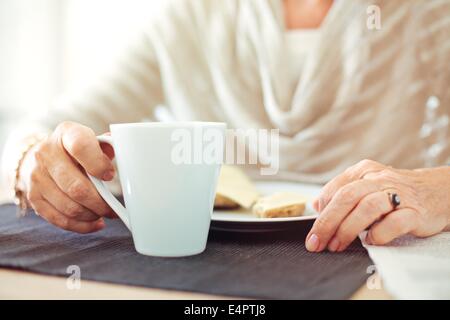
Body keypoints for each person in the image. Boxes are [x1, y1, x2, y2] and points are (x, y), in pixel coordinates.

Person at [1, 0, 450, 253]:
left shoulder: (431, 14)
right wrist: (31, 163)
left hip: (378, 254)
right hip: (197, 263)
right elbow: (35, 133)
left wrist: (439, 189)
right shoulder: (190, 17)